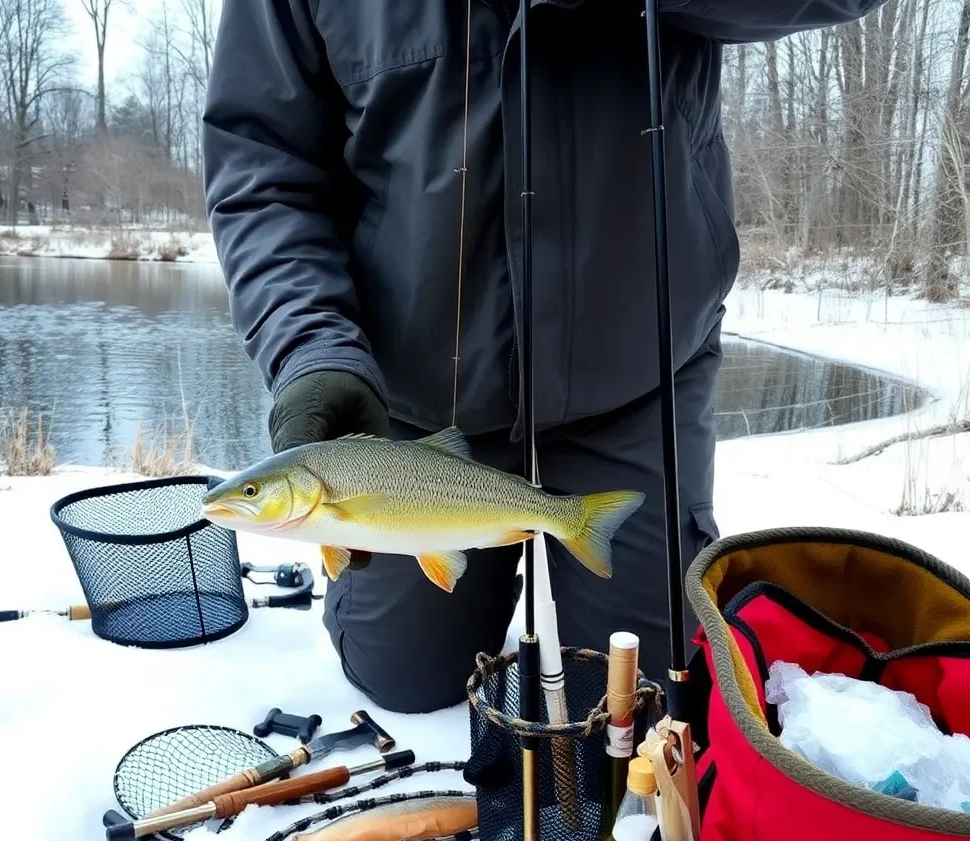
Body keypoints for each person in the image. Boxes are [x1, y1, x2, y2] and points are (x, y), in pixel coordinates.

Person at [202, 0, 884, 714]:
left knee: (636, 703)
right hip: (413, 399)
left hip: (635, 375)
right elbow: (263, 174)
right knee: (400, 682)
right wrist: (313, 350)